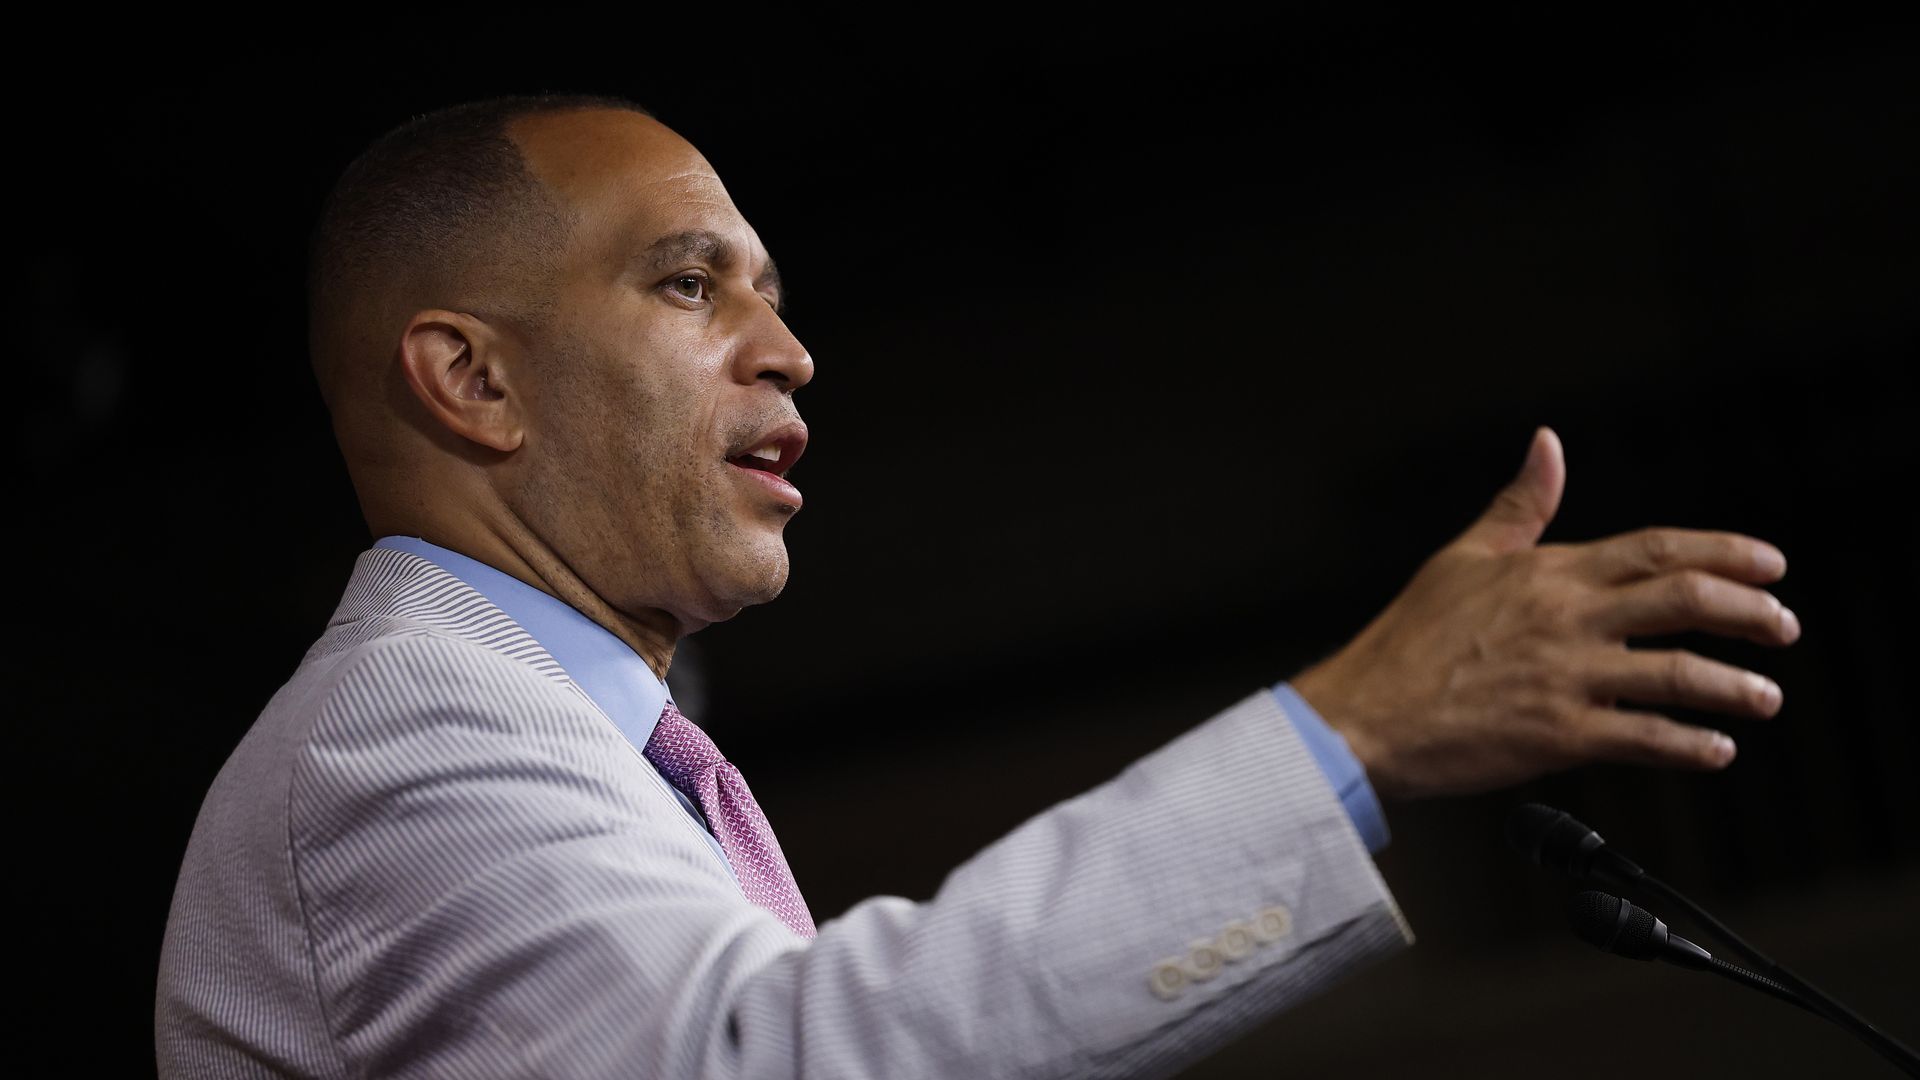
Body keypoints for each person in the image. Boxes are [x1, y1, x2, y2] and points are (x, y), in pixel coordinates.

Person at [155, 95, 1800, 1079]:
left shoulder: (560, 736)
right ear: (471, 380)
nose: (789, 351)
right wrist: (1349, 732)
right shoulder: (397, 749)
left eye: (776, 295)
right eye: (686, 284)